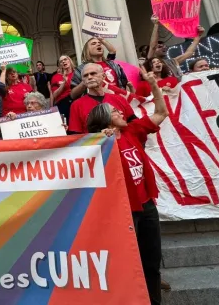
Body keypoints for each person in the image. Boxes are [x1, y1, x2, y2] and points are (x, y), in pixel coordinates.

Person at [86, 71, 169, 305]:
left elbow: (161, 113)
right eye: (114, 111)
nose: (121, 112)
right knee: (128, 262)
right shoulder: (99, 144)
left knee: (152, 261)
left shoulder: (132, 131)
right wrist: (100, 141)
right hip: (124, 211)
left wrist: (153, 85)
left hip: (147, 206)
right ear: (105, 120)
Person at [68, 63, 136, 134]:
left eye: (93, 73)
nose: (89, 77)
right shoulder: (76, 105)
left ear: (103, 76)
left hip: (123, 139)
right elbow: (75, 135)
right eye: (85, 76)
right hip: (94, 141)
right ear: (83, 80)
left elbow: (134, 123)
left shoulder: (120, 99)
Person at [147, 15, 205, 81]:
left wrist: (198, 36)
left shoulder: (171, 62)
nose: (164, 48)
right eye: (160, 47)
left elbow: (189, 53)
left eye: (164, 46)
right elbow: (153, 46)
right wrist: (156, 25)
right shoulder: (149, 61)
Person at [50, 55, 79, 121]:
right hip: (63, 104)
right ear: (60, 65)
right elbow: (54, 95)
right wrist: (63, 83)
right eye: (61, 61)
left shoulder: (77, 74)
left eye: (65, 59)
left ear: (70, 61)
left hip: (77, 101)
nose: (63, 62)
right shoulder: (56, 77)